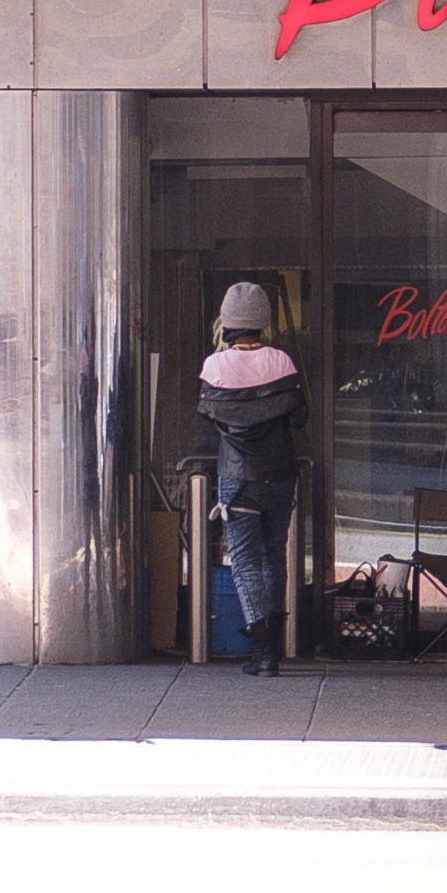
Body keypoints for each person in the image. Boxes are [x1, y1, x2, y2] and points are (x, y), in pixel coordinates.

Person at [191, 282, 307, 678]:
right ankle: (273, 642)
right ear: (263, 324)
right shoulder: (283, 362)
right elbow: (299, 416)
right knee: (274, 555)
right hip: (281, 474)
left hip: (237, 476)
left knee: (244, 561)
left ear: (227, 324)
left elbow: (207, 413)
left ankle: (262, 650)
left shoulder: (214, 366)